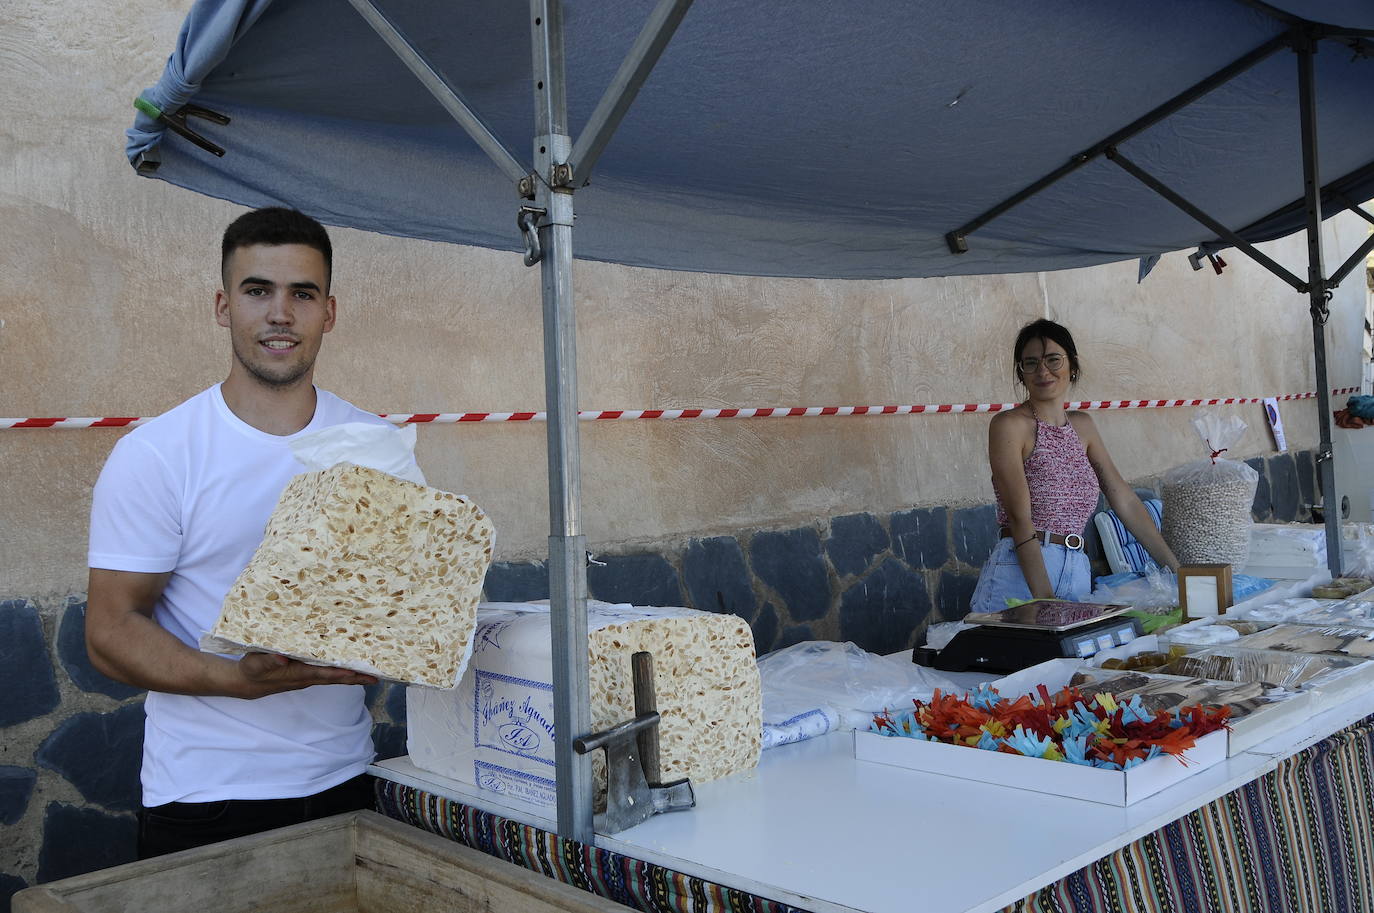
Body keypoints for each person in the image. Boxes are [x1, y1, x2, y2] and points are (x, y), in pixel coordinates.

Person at [86, 207, 405, 858]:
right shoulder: (159, 453)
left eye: (302, 293)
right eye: (258, 290)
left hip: (345, 783)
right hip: (205, 797)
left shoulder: (378, 448)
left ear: (330, 312)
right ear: (223, 305)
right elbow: (110, 633)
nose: (280, 313)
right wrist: (235, 678)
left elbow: (394, 603)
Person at [969, 319, 1179, 613]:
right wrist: (1045, 600)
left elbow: (1125, 501)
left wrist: (1177, 570)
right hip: (1022, 572)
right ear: (1021, 372)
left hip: (1077, 568)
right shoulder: (1009, 425)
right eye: (1031, 363)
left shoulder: (1083, 426)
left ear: (1073, 365)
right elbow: (1019, 518)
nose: (1043, 371)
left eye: (1053, 359)